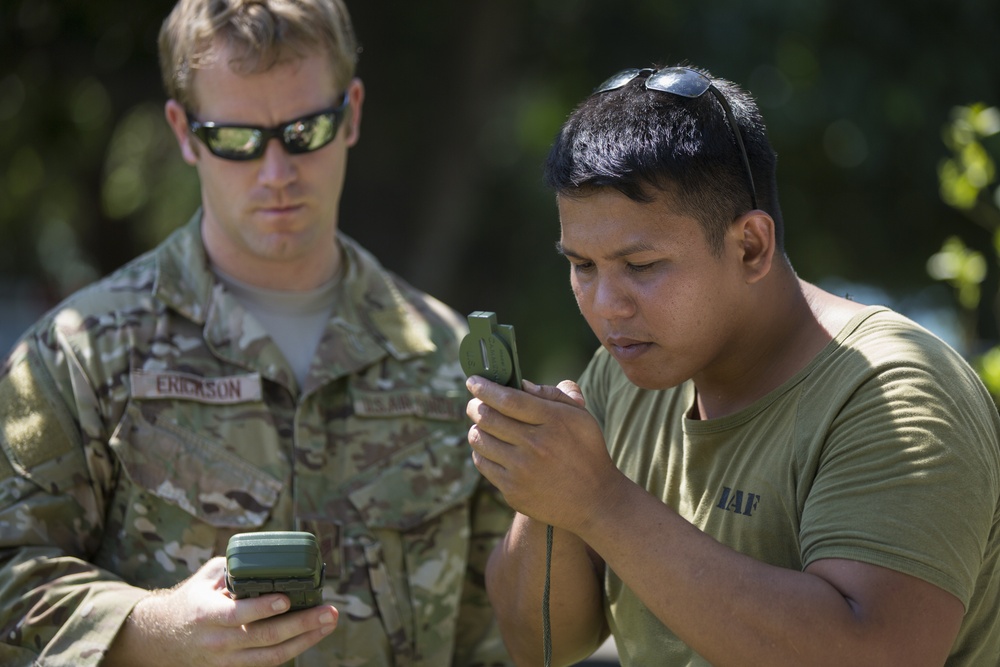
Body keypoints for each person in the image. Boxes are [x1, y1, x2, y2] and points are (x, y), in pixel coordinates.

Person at [0, 0, 512, 665]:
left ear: (352, 112)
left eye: (306, 130)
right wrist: (154, 627)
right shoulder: (81, 351)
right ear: (184, 132)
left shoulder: (448, 363)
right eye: (237, 138)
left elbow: (499, 629)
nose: (277, 173)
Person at [465, 64, 1000, 666]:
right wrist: (542, 492)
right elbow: (543, 643)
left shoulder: (896, 393)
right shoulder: (625, 372)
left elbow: (876, 654)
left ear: (751, 246)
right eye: (583, 266)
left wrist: (600, 501)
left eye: (641, 266)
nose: (606, 306)